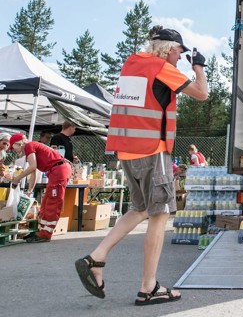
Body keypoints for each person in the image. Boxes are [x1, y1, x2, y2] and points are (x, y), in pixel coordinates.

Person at [74, 26, 208, 306]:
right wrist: (198, 67)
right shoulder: (162, 67)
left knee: (140, 209)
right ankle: (149, 287)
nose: (178, 57)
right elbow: (202, 94)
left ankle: (97, 257)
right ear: (170, 49)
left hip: (127, 151)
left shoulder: (132, 65)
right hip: (153, 150)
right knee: (159, 215)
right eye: (179, 53)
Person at [8, 133, 72, 243]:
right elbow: (34, 173)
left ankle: (46, 233)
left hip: (59, 171)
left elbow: (32, 167)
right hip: (56, 171)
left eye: (12, 147)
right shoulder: (30, 149)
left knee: (53, 202)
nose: (13, 150)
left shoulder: (29, 146)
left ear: (18, 143)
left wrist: (17, 178)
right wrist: (30, 190)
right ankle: (42, 231)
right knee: (46, 202)